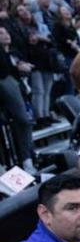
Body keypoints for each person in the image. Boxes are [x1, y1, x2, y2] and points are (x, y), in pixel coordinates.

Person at [0, 24, 35, 171]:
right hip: (4, 82)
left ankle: (27, 159)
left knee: (23, 121)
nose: (6, 35)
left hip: (14, 85)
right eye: (1, 33)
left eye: (6, 32)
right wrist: (18, 68)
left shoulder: (12, 53)